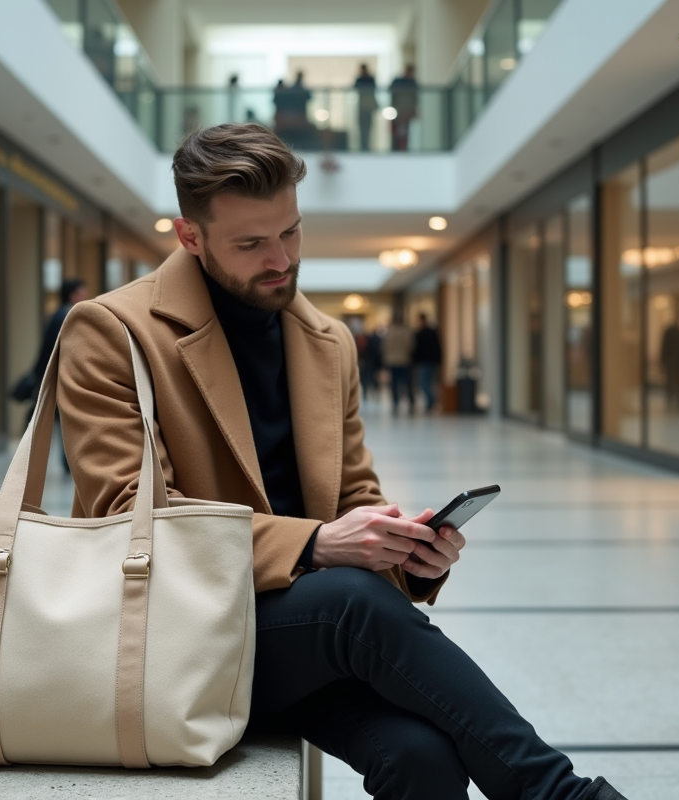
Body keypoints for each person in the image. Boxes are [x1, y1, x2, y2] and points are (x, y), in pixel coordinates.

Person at [56, 123, 628, 800]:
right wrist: (317, 545)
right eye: (251, 244)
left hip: (291, 643)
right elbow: (129, 517)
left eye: (291, 233)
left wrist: (406, 553)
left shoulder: (326, 341)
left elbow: (356, 494)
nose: (281, 259)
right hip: (176, 640)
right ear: (190, 237)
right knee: (349, 604)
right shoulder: (110, 332)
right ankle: (558, 794)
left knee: (422, 757)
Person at [30, 278, 87, 471]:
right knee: (68, 420)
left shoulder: (60, 315)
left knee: (65, 420)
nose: (85, 295)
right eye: (81, 291)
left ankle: (69, 461)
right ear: (72, 295)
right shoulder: (65, 317)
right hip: (64, 376)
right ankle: (69, 462)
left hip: (61, 376)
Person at [382, 309, 414, 413]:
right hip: (405, 360)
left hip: (392, 361)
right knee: (406, 383)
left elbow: (384, 347)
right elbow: (411, 345)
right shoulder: (406, 331)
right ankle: (410, 402)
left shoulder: (389, 332)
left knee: (394, 384)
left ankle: (395, 402)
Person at [413, 312, 443, 411]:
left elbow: (437, 347)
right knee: (427, 383)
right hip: (425, 361)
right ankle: (431, 401)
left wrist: (439, 360)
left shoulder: (426, 333)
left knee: (425, 383)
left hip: (427, 361)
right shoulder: (421, 333)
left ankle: (432, 401)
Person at [389, 64, 419, 152]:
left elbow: (415, 98)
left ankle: (404, 149)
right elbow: (392, 92)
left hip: (407, 112)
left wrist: (413, 110)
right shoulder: (398, 81)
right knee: (396, 131)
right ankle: (395, 149)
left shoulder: (412, 83)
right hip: (398, 111)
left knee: (405, 132)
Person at [353, 63, 377, 152]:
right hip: (362, 107)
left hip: (368, 107)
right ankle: (362, 146)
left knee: (368, 128)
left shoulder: (370, 79)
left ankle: (367, 146)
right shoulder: (359, 79)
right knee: (362, 128)